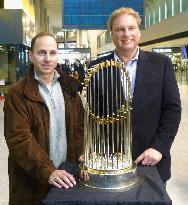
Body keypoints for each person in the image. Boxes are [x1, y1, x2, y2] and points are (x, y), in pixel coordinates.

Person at [88, 7, 181, 185]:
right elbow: (91, 114)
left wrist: (159, 148)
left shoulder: (161, 64)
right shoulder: (97, 67)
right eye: (120, 29)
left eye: (131, 28)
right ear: (112, 34)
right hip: (110, 161)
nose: (126, 34)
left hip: (150, 160)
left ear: (139, 31)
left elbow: (172, 110)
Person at [4, 32, 84, 205]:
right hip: (31, 180)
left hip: (66, 177)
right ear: (31, 56)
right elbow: (19, 139)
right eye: (42, 53)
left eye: (52, 53)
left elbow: (79, 127)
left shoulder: (69, 88)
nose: (47, 58)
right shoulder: (17, 93)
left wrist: (80, 154)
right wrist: (48, 171)